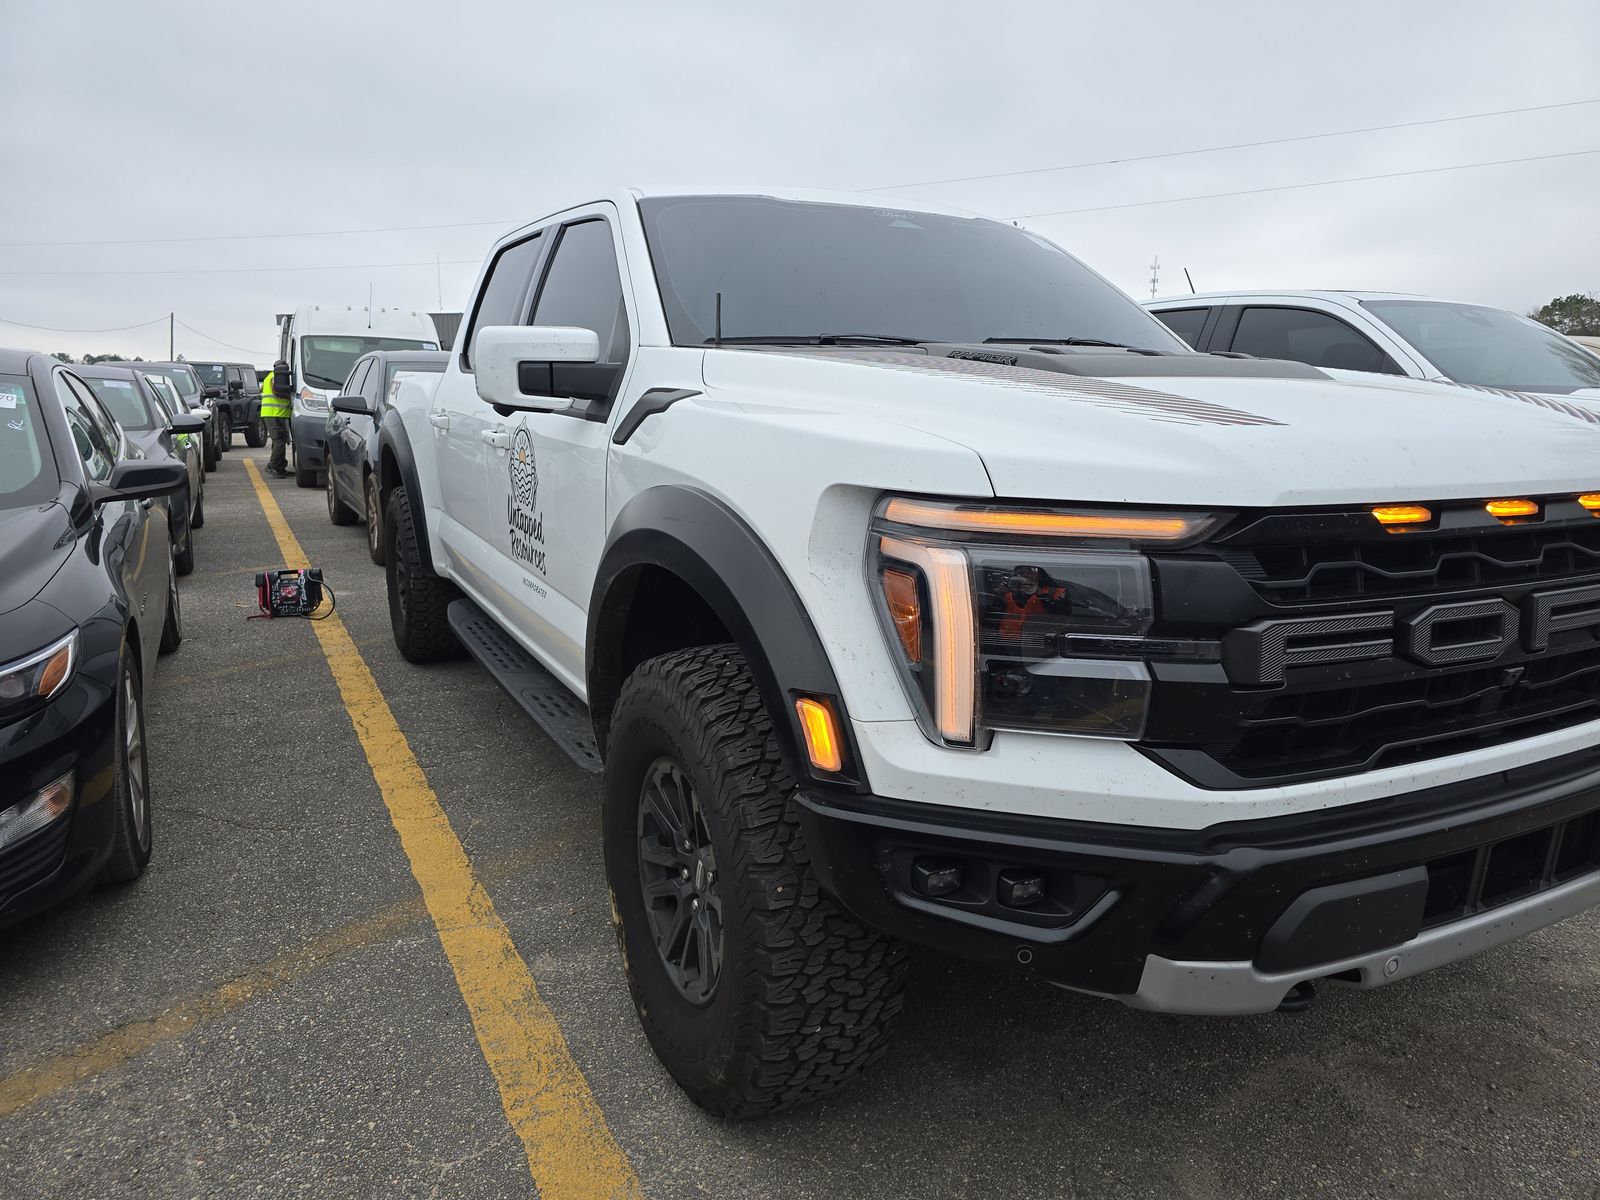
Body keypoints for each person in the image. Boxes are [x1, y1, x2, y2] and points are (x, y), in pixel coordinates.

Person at [260, 359, 292, 478]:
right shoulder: (276, 376)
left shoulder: (269, 376)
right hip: (274, 413)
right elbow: (276, 391)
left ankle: (280, 467)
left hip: (275, 413)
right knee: (279, 441)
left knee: (279, 440)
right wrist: (290, 396)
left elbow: (262, 389)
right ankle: (273, 466)